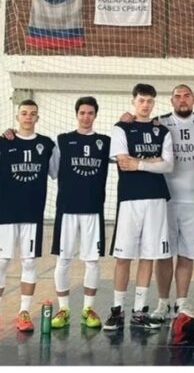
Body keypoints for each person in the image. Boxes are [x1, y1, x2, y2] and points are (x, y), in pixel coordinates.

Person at [103, 83, 174, 331]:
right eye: (141, 100)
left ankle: (139, 310)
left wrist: (140, 163)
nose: (145, 105)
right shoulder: (121, 128)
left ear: (154, 103)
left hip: (156, 198)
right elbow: (124, 162)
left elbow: (168, 165)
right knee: (123, 256)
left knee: (148, 255)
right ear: (133, 101)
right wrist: (153, 160)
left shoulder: (162, 131)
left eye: (150, 101)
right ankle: (117, 309)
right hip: (130, 198)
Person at [149, 85, 194, 322]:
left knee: (187, 254)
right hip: (165, 200)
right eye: (177, 96)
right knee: (163, 254)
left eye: (187, 95)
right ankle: (162, 303)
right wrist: (128, 119)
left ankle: (182, 302)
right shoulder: (159, 122)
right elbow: (137, 130)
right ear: (171, 101)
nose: (182, 100)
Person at [49, 97, 110, 329]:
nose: (86, 117)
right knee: (63, 259)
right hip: (67, 209)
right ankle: (63, 308)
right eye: (82, 112)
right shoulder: (62, 141)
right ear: (76, 114)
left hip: (93, 209)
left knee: (92, 261)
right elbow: (53, 171)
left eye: (90, 113)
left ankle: (88, 309)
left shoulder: (105, 142)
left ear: (95, 115)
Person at [0, 100, 57, 332]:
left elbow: (56, 172)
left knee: (29, 262)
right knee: (1, 262)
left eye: (32, 114)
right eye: (24, 113)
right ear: (17, 117)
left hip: (32, 213)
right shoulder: (4, 142)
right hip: (5, 213)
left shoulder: (46, 144)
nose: (28, 117)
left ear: (37, 118)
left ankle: (23, 312)